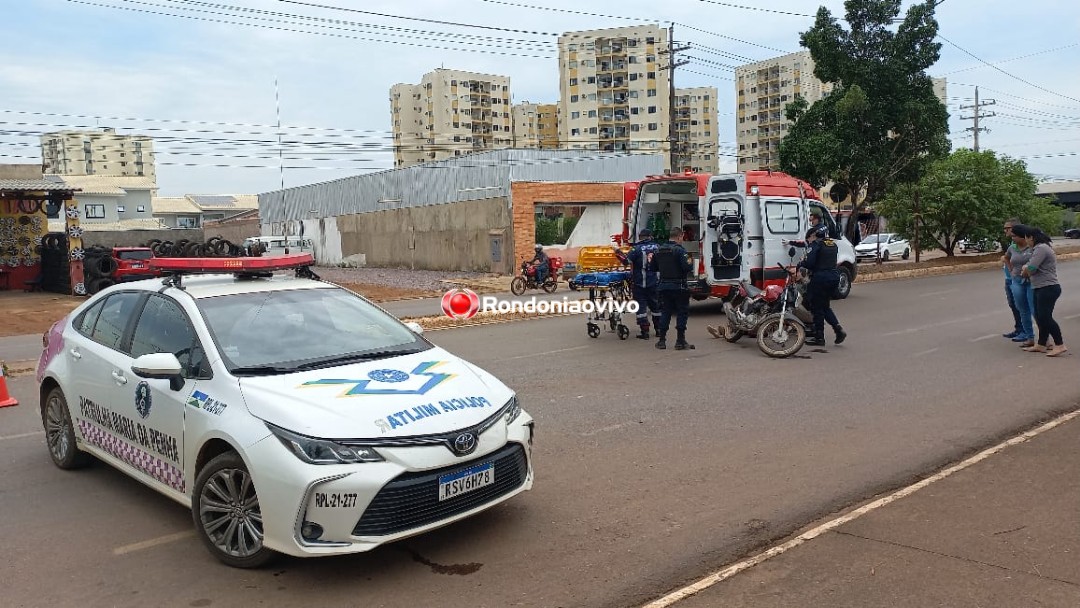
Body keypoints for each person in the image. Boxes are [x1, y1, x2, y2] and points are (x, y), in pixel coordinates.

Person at [1016, 226, 1068, 356]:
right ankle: (1041, 344)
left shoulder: (1041, 248)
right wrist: (1026, 268)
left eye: (1027, 238)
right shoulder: (1038, 249)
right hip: (1039, 287)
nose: (1026, 241)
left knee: (1045, 317)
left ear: (1031, 237)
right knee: (1040, 317)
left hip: (1048, 288)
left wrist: (1025, 268)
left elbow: (1031, 269)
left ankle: (1060, 344)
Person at [797, 225, 847, 346]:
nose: (808, 241)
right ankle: (838, 329)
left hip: (820, 278)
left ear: (813, 236)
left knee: (817, 308)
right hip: (833, 277)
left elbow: (810, 263)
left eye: (808, 238)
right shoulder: (832, 244)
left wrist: (801, 262)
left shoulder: (816, 245)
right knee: (825, 306)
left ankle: (819, 337)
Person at [648, 226, 695, 350]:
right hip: (679, 286)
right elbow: (688, 267)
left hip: (663, 286)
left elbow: (652, 268)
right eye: (682, 238)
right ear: (679, 236)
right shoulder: (680, 251)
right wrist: (689, 258)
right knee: (682, 313)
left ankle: (662, 341)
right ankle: (680, 341)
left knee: (666, 312)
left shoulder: (658, 250)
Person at [613, 229, 662, 339]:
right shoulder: (657, 247)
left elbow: (626, 261)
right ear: (650, 236)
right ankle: (659, 330)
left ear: (640, 237)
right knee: (656, 306)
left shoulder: (636, 249)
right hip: (655, 282)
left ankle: (645, 332)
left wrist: (617, 252)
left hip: (640, 283)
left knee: (641, 307)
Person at [1003, 224, 1036, 346]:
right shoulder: (1012, 248)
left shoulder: (1033, 247)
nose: (1012, 238)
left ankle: (1045, 338)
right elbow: (1006, 258)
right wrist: (1011, 271)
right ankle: (1029, 337)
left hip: (1032, 281)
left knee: (1034, 309)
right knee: (1022, 310)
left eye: (1014, 236)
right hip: (1017, 280)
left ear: (1023, 237)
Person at [1000, 219, 1026, 340]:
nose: (1005, 230)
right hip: (1009, 279)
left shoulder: (1025, 244)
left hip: (1018, 280)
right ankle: (1019, 329)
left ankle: (1027, 332)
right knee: (1013, 305)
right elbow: (1007, 258)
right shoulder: (1012, 245)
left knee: (1021, 305)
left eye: (1008, 228)